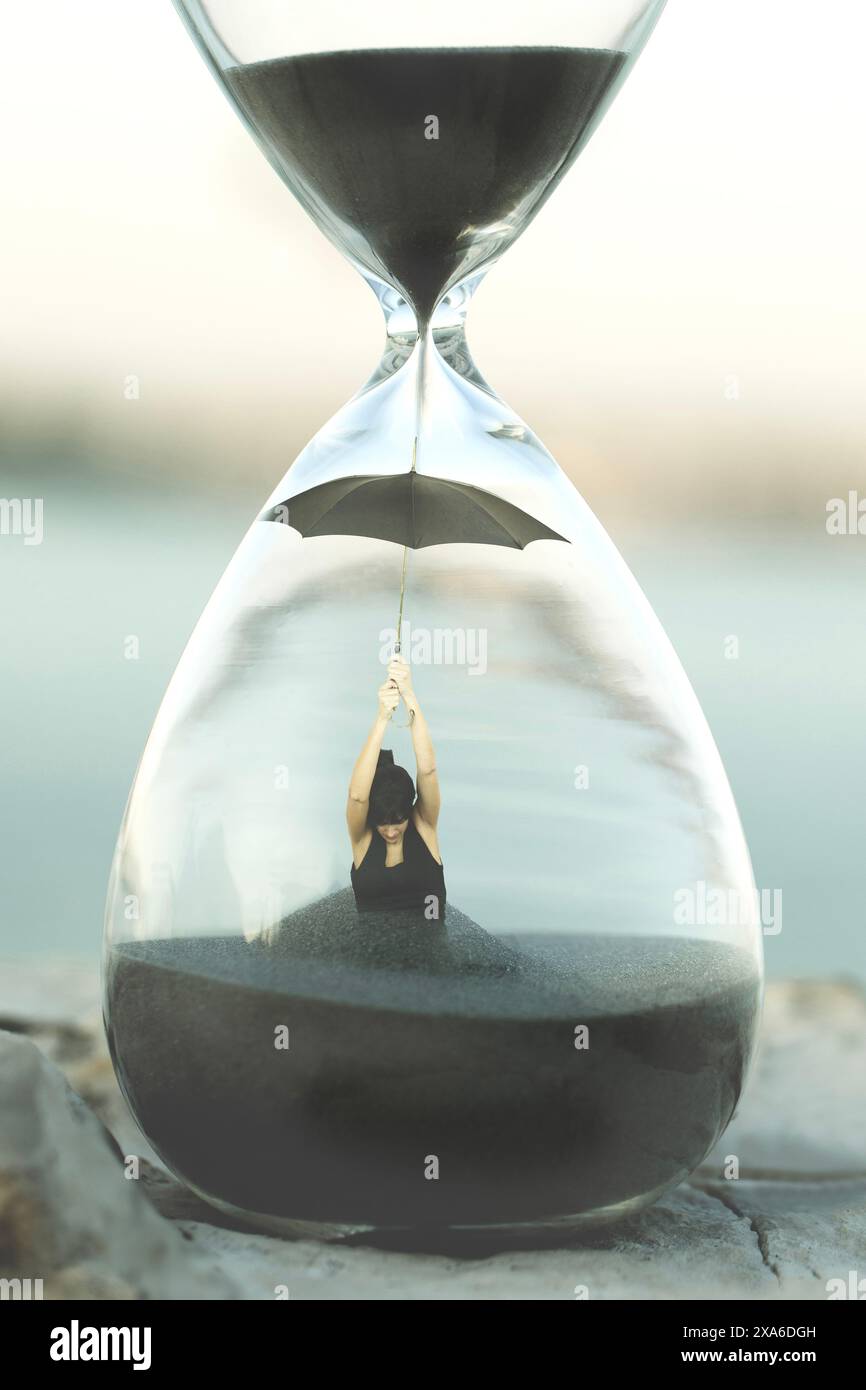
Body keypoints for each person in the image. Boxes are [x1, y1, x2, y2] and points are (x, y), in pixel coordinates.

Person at [346, 657, 445, 921]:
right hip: (372, 960)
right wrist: (382, 717)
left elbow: (428, 771)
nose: (390, 831)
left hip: (428, 959)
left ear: (409, 811)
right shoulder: (363, 839)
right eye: (382, 823)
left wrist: (409, 694)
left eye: (398, 822)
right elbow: (357, 796)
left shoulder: (424, 825)